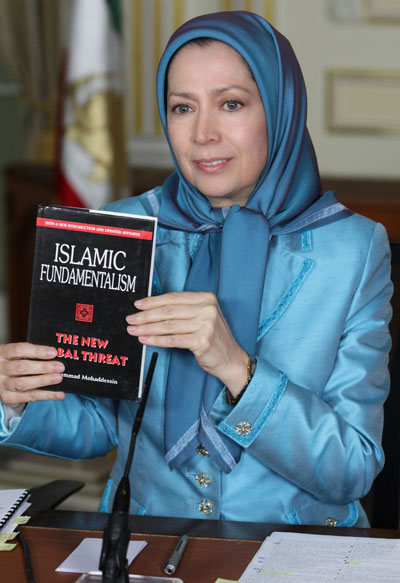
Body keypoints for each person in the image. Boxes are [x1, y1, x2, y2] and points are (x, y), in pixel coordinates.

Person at [0, 11, 392, 527]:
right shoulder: (123, 227)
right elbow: (99, 423)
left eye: (231, 104)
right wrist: (17, 400)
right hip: (144, 540)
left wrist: (237, 368)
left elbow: (352, 469)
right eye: (183, 107)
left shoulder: (353, 249)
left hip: (293, 547)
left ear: (281, 109)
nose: (203, 134)